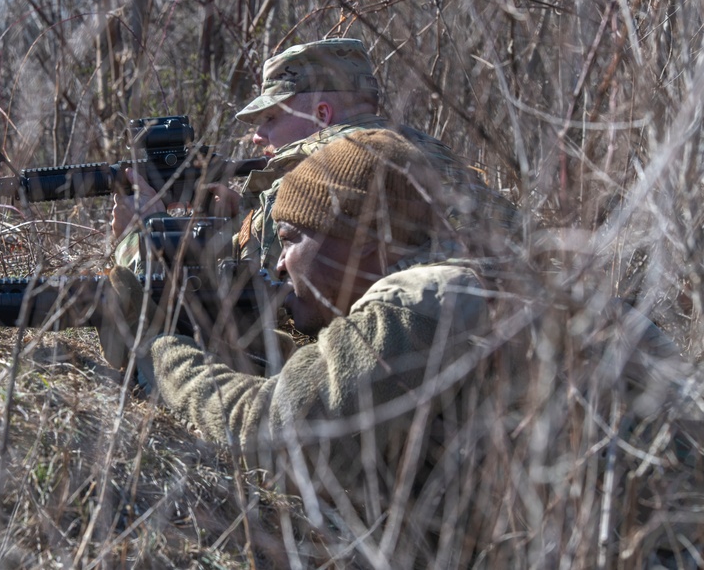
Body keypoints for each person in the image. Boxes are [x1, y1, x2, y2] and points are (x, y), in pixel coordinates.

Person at [97, 129, 494, 564]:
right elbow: (330, 382)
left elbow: (267, 432)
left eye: (289, 239)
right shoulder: (450, 288)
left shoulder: (422, 300)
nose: (281, 263)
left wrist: (159, 349)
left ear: (364, 238)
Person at [110, 38, 515, 274]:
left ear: (321, 115)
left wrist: (142, 231)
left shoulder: (316, 171)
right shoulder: (432, 153)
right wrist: (242, 221)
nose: (257, 137)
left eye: (270, 118)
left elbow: (199, 290)